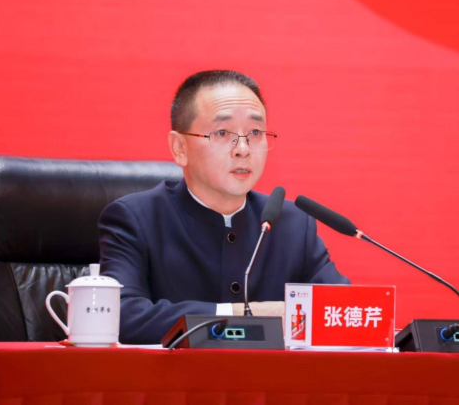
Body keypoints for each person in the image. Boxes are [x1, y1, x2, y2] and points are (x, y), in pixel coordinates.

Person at [99, 70, 349, 344]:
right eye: (222, 132)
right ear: (180, 148)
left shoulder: (292, 223)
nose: (243, 148)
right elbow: (119, 315)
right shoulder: (136, 219)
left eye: (255, 133)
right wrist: (241, 315)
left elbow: (344, 312)